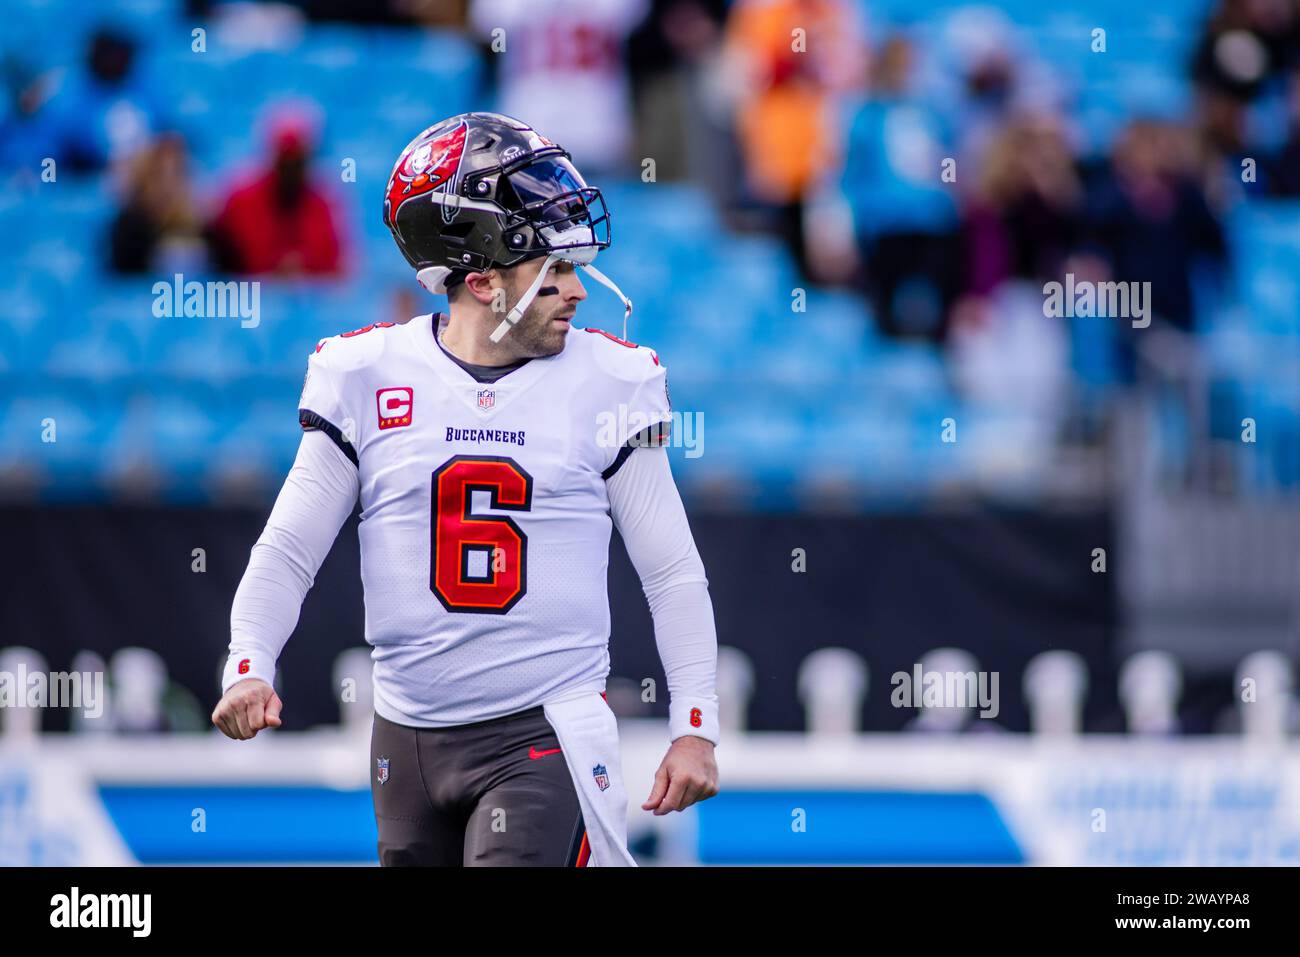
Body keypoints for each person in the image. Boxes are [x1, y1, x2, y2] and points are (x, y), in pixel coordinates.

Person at [211, 112, 720, 866]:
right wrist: (249, 660)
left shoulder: (607, 383)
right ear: (479, 279)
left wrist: (696, 725)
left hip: (544, 731)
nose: (578, 291)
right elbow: (290, 546)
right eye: (553, 271)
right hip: (405, 735)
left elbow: (672, 570)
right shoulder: (369, 374)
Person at [208, 106, 344, 276]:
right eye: (287, 163)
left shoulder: (324, 205)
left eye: (297, 162)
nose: (292, 171)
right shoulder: (240, 202)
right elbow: (219, 263)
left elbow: (338, 271)